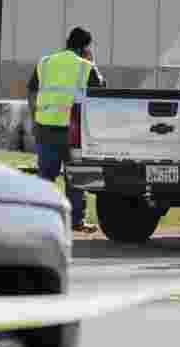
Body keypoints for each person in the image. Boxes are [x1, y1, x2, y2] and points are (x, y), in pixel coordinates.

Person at [28, 26, 105, 234]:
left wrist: (35, 118)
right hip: (74, 133)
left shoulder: (45, 62)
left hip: (45, 128)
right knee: (77, 178)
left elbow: (32, 91)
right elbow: (101, 92)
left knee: (46, 177)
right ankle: (76, 221)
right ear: (85, 47)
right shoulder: (85, 66)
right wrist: (93, 63)